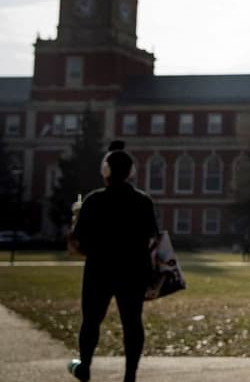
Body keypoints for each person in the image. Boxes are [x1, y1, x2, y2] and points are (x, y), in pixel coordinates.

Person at [67, 141, 159, 382]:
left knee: (91, 321)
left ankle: (85, 366)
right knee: (132, 322)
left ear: (106, 170)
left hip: (100, 269)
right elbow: (152, 237)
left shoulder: (93, 200)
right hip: (133, 269)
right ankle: (130, 375)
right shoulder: (143, 201)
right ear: (131, 172)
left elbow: (78, 243)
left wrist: (76, 222)